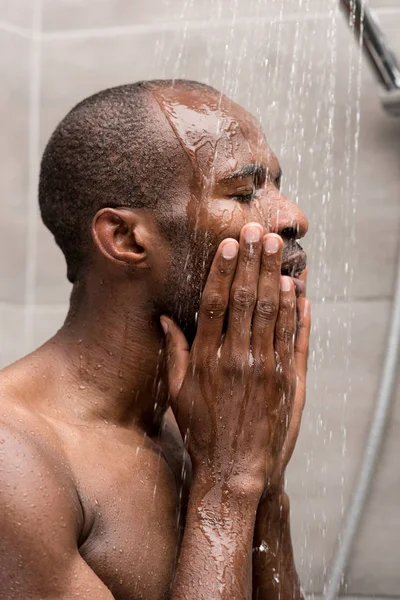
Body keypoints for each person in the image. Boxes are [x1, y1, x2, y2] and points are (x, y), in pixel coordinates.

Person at [0, 79, 311, 600]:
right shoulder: (15, 459)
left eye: (276, 186)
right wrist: (229, 486)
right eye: (243, 192)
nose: (292, 217)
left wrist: (267, 491)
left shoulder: (199, 421)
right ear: (125, 238)